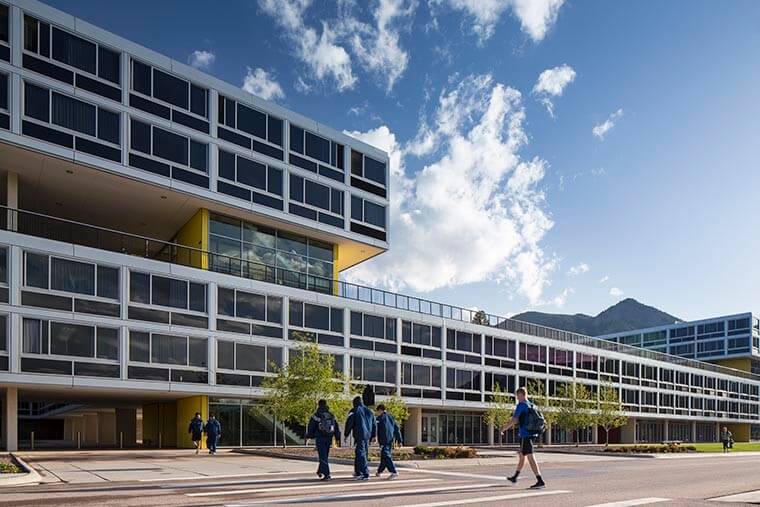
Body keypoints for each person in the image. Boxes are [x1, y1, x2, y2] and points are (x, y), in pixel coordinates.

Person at [502, 387, 546, 489]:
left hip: (525, 435)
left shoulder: (521, 405)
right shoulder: (532, 405)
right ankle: (515, 477)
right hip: (532, 434)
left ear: (521, 395)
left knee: (530, 457)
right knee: (522, 455)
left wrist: (503, 429)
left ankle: (540, 480)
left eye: (517, 396)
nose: (517, 398)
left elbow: (514, 420)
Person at [306, 399, 341, 481]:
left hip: (320, 437)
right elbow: (336, 427)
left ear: (318, 405)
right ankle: (320, 471)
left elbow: (311, 426)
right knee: (325, 456)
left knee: (322, 456)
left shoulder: (316, 415)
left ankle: (327, 474)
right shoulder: (331, 415)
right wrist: (337, 437)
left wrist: (309, 436)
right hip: (329, 437)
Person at [344, 396, 376, 481]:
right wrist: (374, 436)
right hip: (367, 436)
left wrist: (346, 435)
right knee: (363, 453)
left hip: (359, 435)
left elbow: (349, 423)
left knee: (360, 453)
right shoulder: (370, 411)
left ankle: (365, 473)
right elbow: (374, 424)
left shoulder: (354, 410)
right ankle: (358, 472)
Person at [374, 404, 402, 479]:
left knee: (386, 455)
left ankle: (393, 471)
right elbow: (397, 429)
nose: (377, 413)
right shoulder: (391, 417)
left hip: (384, 440)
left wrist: (374, 437)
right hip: (390, 440)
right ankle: (379, 471)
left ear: (380, 410)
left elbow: (375, 429)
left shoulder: (379, 418)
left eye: (377, 411)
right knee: (384, 457)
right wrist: (399, 440)